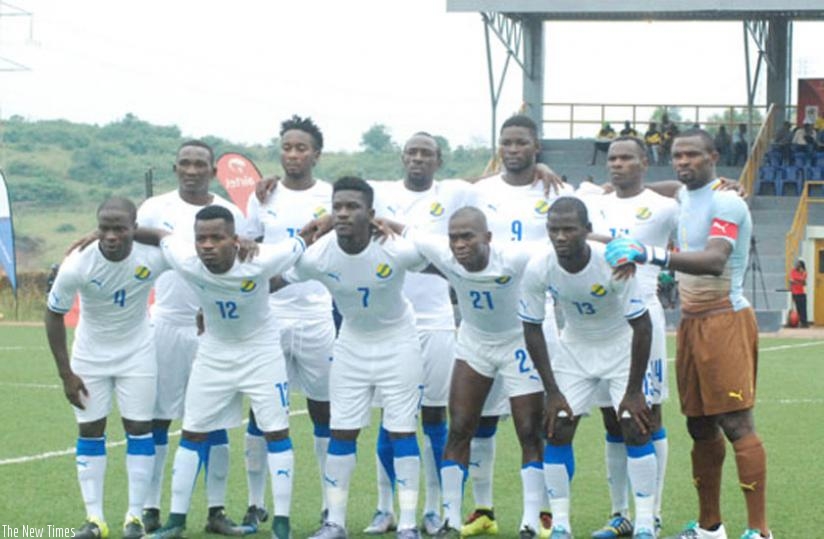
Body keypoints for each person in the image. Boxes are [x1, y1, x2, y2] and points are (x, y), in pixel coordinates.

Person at [605, 129, 771, 539]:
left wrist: (649, 253)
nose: (683, 162)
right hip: (692, 323)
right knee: (699, 427)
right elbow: (663, 187)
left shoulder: (726, 200)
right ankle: (710, 526)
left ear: (714, 156)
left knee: (735, 424)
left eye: (693, 155)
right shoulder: (683, 195)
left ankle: (759, 530)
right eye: (678, 156)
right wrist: (614, 185)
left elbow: (715, 260)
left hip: (725, 318)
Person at [377, 206, 546, 538]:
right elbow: (406, 230)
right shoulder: (445, 254)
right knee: (459, 429)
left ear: (488, 237)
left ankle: (529, 520)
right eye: (453, 237)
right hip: (474, 342)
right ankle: (450, 520)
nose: (459, 244)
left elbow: (559, 243)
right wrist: (377, 222)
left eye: (467, 236)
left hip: (517, 343)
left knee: (529, 431)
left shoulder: (515, 256)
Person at [144, 205, 310, 539]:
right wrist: (96, 235)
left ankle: (281, 524)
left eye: (216, 238)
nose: (207, 245)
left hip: (261, 353)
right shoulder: (186, 259)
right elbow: (160, 236)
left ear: (235, 240)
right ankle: (176, 521)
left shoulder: (262, 259)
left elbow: (305, 239)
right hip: (214, 353)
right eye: (201, 238)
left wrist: (326, 220)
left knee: (276, 433)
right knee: (192, 433)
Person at [276, 177, 428, 539]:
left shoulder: (395, 248)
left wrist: (399, 228)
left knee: (402, 430)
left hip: (398, 342)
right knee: (341, 430)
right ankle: (335, 523)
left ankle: (407, 524)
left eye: (352, 207)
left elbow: (434, 253)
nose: (343, 214)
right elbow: (275, 279)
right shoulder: (320, 254)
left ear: (371, 214)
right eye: (337, 207)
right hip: (351, 345)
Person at [519, 196, 656, 539]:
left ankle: (643, 523)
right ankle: (562, 523)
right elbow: (532, 327)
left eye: (569, 229)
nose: (561, 236)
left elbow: (642, 325)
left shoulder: (611, 264)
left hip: (621, 346)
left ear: (587, 231)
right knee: (558, 427)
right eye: (554, 229)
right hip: (576, 348)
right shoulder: (539, 267)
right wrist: (551, 391)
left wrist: (634, 390)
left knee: (634, 426)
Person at [467, 114, 574, 537]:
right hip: (484, 322)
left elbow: (600, 202)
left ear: (536, 147)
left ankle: (543, 513)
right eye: (506, 143)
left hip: (536, 319)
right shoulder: (477, 192)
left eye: (521, 143)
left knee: (539, 423)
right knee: (481, 421)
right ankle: (483, 510)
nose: (513, 150)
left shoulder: (556, 190)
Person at [365, 132, 475, 536]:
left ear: (438, 161)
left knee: (434, 415)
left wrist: (544, 168)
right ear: (401, 157)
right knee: (391, 419)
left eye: (426, 153)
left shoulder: (456, 193)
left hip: (436, 320)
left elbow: (504, 191)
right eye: (411, 152)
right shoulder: (380, 193)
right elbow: (340, 211)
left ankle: (434, 508)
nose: (417, 159)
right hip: (390, 322)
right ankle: (384, 507)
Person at [137, 140, 247, 534]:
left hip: (214, 330)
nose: (191, 169)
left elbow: (244, 264)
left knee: (215, 421)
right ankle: (150, 507)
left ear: (213, 170)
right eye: (185, 163)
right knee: (158, 419)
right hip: (165, 324)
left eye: (200, 163)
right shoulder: (154, 208)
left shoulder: (232, 213)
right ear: (175, 167)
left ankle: (216, 511)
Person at [45, 197, 170, 539]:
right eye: (104, 228)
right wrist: (65, 374)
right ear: (95, 227)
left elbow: (182, 247)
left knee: (140, 430)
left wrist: (150, 233)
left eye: (120, 228)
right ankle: (95, 520)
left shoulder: (153, 257)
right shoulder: (78, 262)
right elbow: (53, 313)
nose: (111, 236)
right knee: (90, 431)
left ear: (134, 228)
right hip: (89, 358)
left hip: (138, 355)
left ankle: (135, 517)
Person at [243, 115, 335, 526]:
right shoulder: (262, 197)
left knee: (324, 411)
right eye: (287, 147)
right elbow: (248, 249)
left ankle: (331, 502)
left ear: (316, 153)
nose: (293, 154)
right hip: (270, 314)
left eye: (301, 148)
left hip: (317, 313)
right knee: (261, 410)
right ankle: (255, 500)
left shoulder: (333, 196)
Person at [586, 137, 679, 538]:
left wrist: (725, 182)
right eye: (612, 158)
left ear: (645, 162)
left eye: (626, 158)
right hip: (602, 322)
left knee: (647, 414)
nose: (617, 164)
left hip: (645, 318)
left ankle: (650, 515)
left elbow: (690, 194)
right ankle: (620, 513)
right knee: (612, 419)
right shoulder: (593, 203)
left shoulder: (665, 208)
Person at [790, 259, 809, 328]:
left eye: (798, 264)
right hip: (795, 292)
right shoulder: (793, 271)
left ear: (801, 266)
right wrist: (799, 281)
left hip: (802, 292)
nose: (797, 266)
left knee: (803, 308)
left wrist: (798, 280)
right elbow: (791, 281)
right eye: (797, 264)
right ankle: (799, 322)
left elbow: (804, 283)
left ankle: (805, 323)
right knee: (798, 308)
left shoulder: (804, 272)